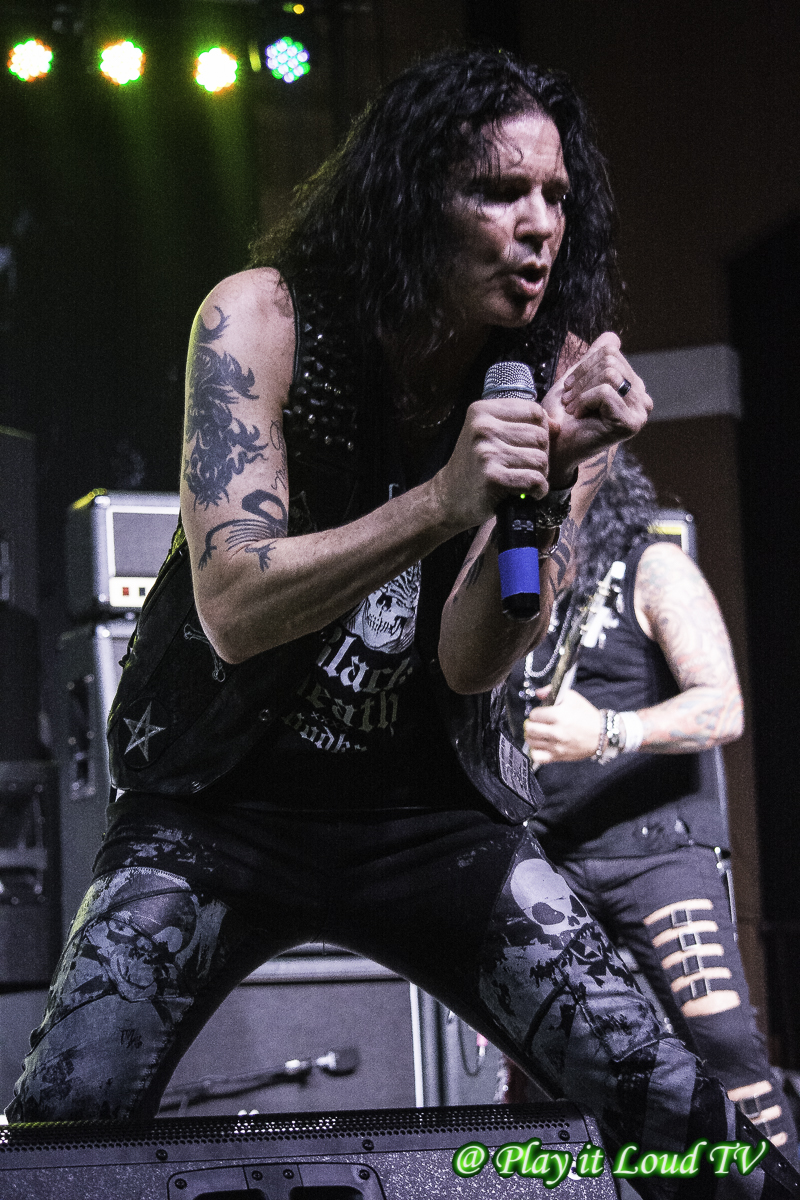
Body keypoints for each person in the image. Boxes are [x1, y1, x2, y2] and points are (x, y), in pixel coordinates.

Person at [6, 48, 798, 1197]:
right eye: (498, 192)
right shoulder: (261, 319)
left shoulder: (552, 375)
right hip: (217, 810)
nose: (538, 226)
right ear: (413, 199)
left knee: (676, 1108)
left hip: (432, 821)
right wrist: (440, 499)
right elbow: (233, 606)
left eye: (555, 196)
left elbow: (470, 661)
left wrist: (546, 482)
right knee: (60, 1128)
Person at [503, 448, 797, 1153]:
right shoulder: (515, 585)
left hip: (654, 853)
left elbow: (722, 707)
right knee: (539, 1065)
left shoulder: (651, 565)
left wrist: (607, 730)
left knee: (723, 1047)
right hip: (548, 857)